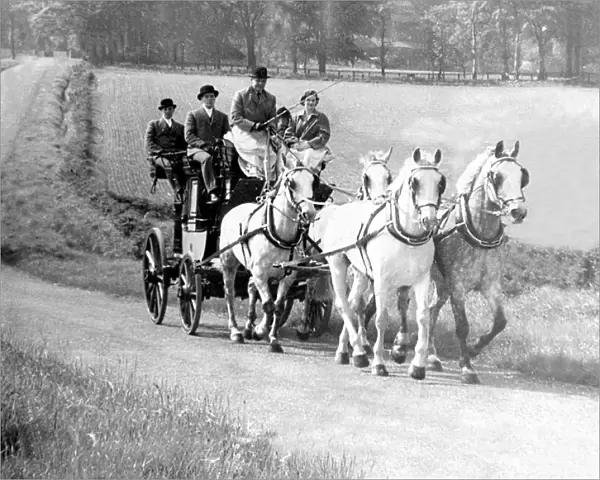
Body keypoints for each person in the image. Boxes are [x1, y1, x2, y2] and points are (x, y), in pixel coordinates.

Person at [227, 66, 287, 180]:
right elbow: (236, 117)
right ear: (252, 80)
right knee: (254, 151)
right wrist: (253, 126)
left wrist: (271, 126)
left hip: (262, 132)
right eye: (257, 80)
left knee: (271, 154)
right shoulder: (240, 95)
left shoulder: (271, 98)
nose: (260, 83)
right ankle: (254, 177)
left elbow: (272, 118)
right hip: (243, 130)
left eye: (263, 81)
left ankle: (269, 181)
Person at [185, 84, 230, 203]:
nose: (210, 99)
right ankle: (212, 191)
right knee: (206, 158)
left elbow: (227, 134)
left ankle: (228, 194)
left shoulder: (222, 117)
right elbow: (189, 136)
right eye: (206, 97)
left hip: (216, 150)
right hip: (196, 150)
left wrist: (221, 141)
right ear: (201, 99)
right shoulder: (193, 115)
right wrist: (203, 145)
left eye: (212, 96)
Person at [145, 98, 187, 202]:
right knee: (168, 165)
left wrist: (181, 152)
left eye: (170, 109)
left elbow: (183, 144)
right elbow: (149, 143)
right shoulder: (154, 125)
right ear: (161, 110)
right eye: (165, 109)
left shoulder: (180, 127)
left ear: (173, 110)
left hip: (175, 155)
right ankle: (176, 189)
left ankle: (184, 191)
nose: (168, 111)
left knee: (187, 167)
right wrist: (160, 151)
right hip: (159, 155)